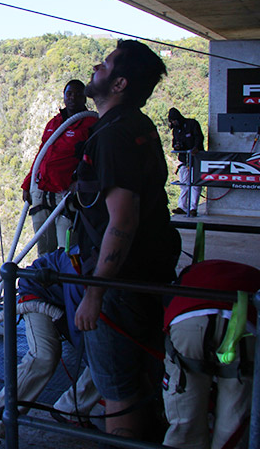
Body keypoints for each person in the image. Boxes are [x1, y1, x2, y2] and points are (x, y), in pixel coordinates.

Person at [73, 39, 182, 440]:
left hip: (119, 286)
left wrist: (96, 292)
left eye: (104, 65)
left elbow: (122, 221)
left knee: (118, 390)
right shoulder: (139, 125)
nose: (95, 69)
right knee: (140, 378)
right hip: (146, 274)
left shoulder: (113, 137)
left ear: (118, 84)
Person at [0, 249, 100, 449]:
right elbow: (78, 324)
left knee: (107, 356)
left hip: (60, 295)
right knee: (43, 357)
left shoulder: (98, 257)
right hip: (38, 293)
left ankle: (73, 408)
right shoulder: (85, 261)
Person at [163, 259, 260, 449]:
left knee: (184, 418)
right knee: (234, 422)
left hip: (190, 318)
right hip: (248, 323)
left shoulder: (194, 273)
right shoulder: (257, 279)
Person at [21, 80, 96, 255]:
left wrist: (79, 182)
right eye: (69, 93)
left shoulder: (90, 124)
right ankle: (44, 281)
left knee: (67, 249)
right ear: (64, 95)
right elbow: (41, 155)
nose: (72, 98)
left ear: (84, 97)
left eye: (78, 94)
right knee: (44, 248)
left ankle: (67, 280)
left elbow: (95, 159)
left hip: (66, 195)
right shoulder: (54, 123)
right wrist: (27, 184)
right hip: (42, 191)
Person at [168, 107, 204, 217]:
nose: (173, 123)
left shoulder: (192, 124)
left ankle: (193, 208)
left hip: (196, 160)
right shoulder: (176, 130)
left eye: (174, 120)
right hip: (184, 160)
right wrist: (177, 146)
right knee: (184, 184)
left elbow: (199, 137)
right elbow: (174, 143)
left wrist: (196, 148)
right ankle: (182, 206)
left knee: (195, 184)